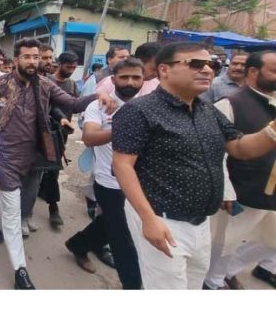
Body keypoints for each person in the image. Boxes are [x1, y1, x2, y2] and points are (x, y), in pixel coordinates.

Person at [113, 41, 276, 289]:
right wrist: (148, 219)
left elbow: (241, 148)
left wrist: (273, 130)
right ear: (164, 70)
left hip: (201, 222)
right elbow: (123, 166)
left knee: (192, 285)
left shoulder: (207, 111)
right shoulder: (139, 111)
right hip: (164, 219)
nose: (208, 70)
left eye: (212, 64)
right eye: (196, 64)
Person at [0, 39, 111, 289]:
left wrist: (99, 95)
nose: (32, 61)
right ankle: (20, 270)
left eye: (36, 56)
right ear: (16, 60)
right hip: (3, 156)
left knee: (9, 199)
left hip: (33, 154)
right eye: (27, 56)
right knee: (12, 211)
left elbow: (73, 104)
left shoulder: (45, 84)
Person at [64, 59, 145, 289]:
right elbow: (89, 137)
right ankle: (134, 286)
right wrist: (123, 125)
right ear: (114, 78)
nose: (130, 82)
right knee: (123, 237)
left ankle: (78, 244)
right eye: (124, 77)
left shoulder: (148, 105)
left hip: (139, 181)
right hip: (109, 181)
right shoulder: (100, 105)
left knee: (111, 223)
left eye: (136, 77)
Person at [204, 50, 276, 289]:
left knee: (269, 239)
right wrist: (225, 189)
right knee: (226, 241)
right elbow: (215, 152)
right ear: (254, 72)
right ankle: (213, 282)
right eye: (274, 70)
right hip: (241, 187)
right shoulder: (229, 103)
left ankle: (230, 271)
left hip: (271, 188)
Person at [39, 51, 81, 227]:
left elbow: (76, 103)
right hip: (46, 131)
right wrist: (60, 116)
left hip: (62, 133)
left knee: (52, 167)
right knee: (48, 167)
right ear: (60, 64)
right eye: (68, 67)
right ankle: (51, 204)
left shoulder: (72, 85)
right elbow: (50, 107)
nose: (71, 70)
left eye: (74, 67)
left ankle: (49, 200)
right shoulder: (46, 81)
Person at [96, 42, 161, 96]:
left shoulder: (157, 85)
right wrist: (103, 95)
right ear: (140, 61)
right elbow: (96, 95)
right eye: (154, 69)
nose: (156, 73)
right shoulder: (114, 81)